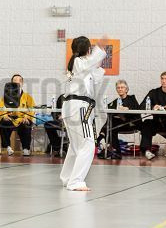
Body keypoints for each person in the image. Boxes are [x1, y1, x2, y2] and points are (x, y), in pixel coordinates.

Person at [60, 36, 107, 191]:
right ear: (88, 50)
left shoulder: (77, 66)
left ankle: (67, 178)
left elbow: (96, 75)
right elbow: (91, 63)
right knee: (87, 144)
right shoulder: (79, 63)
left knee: (75, 146)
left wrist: (97, 58)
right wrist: (99, 50)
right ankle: (76, 181)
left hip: (71, 107)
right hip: (79, 107)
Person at [96, 80, 140, 159]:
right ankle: (116, 152)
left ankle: (102, 137)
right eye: (118, 88)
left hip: (131, 124)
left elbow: (137, 110)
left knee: (111, 124)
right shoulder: (117, 101)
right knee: (111, 124)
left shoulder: (132, 98)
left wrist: (128, 109)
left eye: (122, 87)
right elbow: (108, 109)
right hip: (118, 125)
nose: (120, 89)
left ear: (126, 89)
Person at [0, 74, 35, 156]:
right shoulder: (5, 96)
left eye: (19, 81)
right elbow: (1, 108)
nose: (16, 83)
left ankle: (26, 148)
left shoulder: (27, 97)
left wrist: (26, 117)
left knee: (26, 125)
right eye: (14, 81)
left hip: (22, 118)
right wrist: (4, 115)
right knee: (2, 123)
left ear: (22, 83)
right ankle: (7, 147)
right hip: (10, 119)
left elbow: (31, 109)